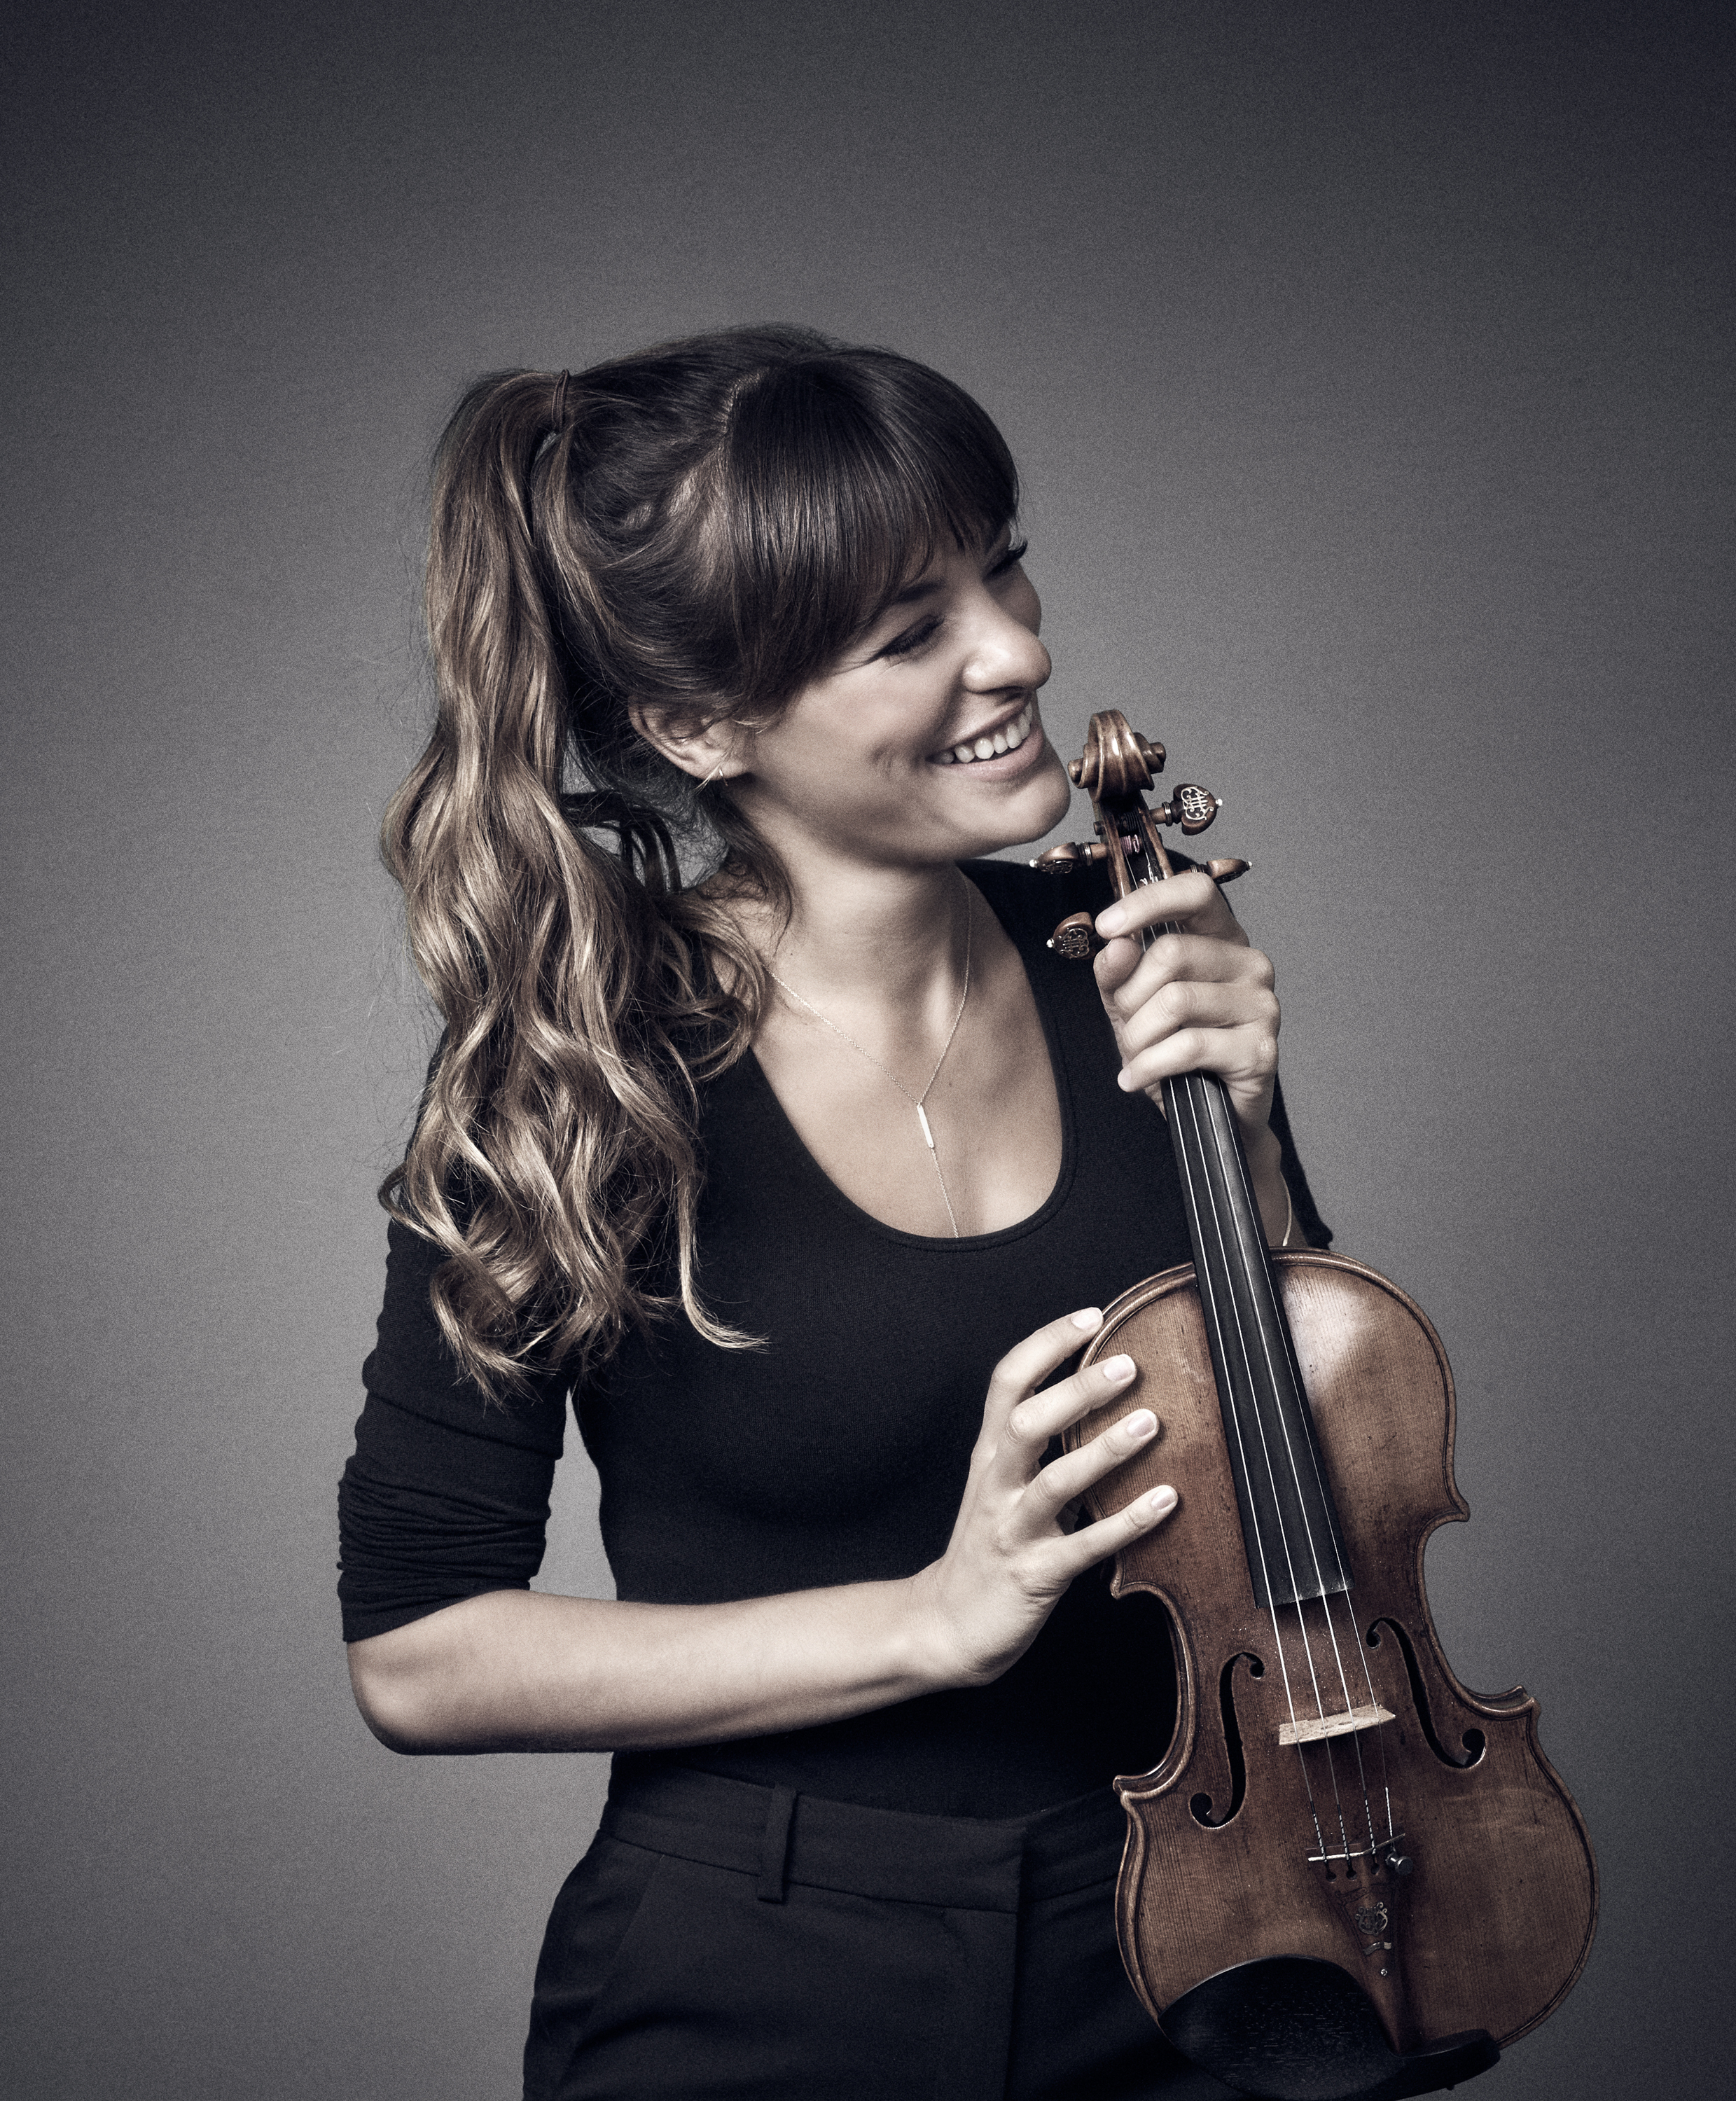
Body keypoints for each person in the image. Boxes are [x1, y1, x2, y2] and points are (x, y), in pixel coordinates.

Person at [338, 326, 1328, 2101]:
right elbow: (418, 1654)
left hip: (1214, 1924)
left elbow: (1322, 1499)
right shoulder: (576, 1081)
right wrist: (931, 1618)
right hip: (763, 1976)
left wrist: (1247, 1143)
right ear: (696, 724)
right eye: (907, 633)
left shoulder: (1136, 950)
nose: (1016, 650)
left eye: (1000, 565)